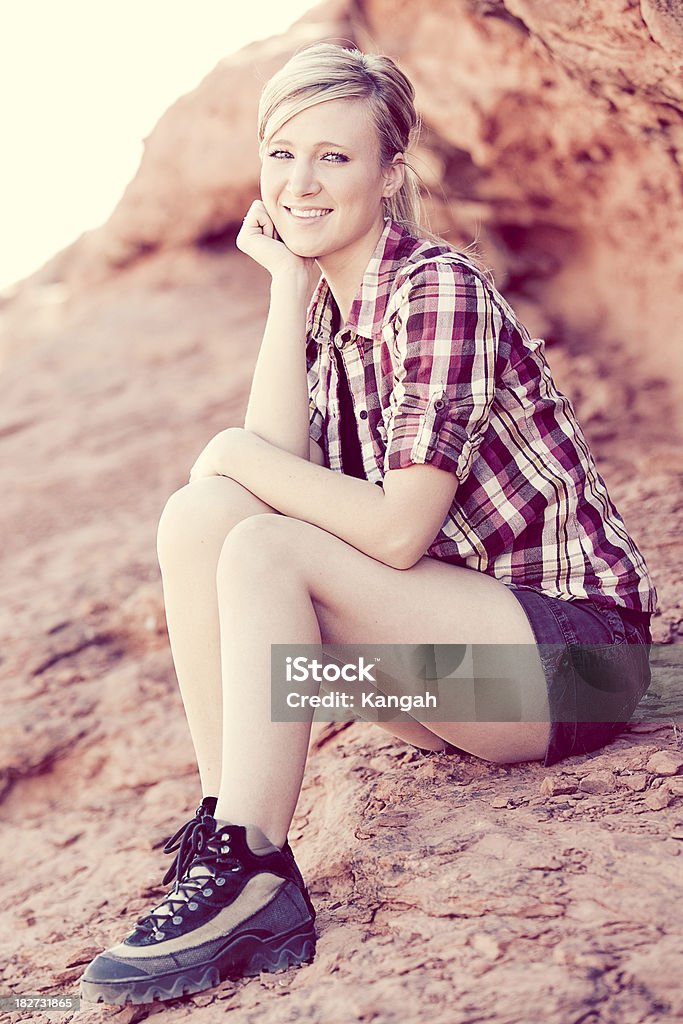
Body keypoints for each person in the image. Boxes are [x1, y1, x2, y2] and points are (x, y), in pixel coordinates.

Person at [80, 42, 658, 1005]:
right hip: (454, 675)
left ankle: (254, 873)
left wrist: (235, 452)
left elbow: (394, 533)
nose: (298, 182)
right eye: (280, 154)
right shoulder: (335, 309)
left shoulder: (435, 288)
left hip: (575, 667)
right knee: (203, 518)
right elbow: (255, 484)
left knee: (258, 538)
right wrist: (285, 291)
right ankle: (227, 835)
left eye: (333, 158)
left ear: (390, 175)